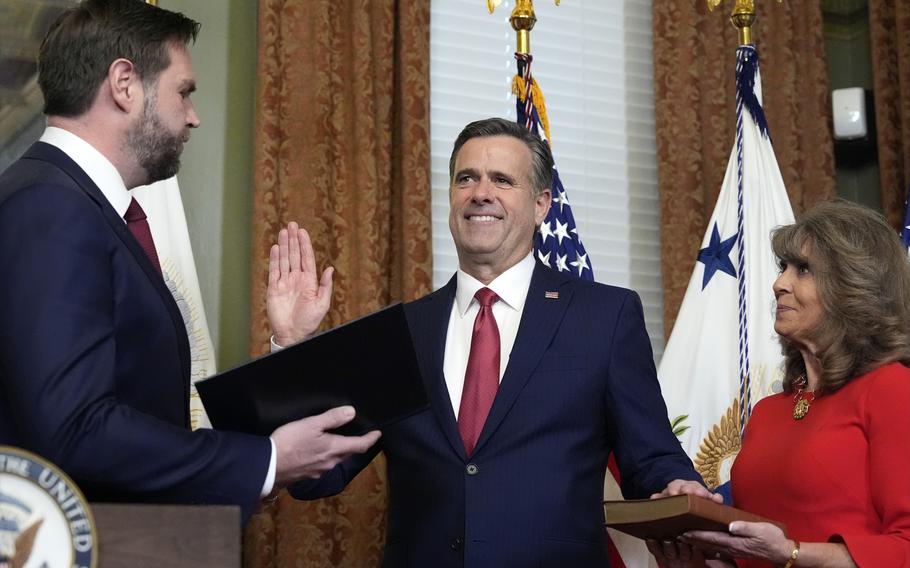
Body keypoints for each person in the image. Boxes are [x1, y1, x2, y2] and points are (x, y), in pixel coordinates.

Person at [0, 0, 379, 523]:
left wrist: (288, 350)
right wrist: (267, 460)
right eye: (184, 92)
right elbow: (76, 428)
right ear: (124, 83)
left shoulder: (68, 201)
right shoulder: (52, 207)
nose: (194, 116)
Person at [287, 117, 716, 567]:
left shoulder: (604, 318)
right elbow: (317, 474)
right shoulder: (401, 333)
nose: (480, 193)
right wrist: (295, 347)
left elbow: (651, 457)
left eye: (503, 180)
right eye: (466, 178)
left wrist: (676, 485)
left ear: (541, 204)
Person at [649, 200, 910, 567]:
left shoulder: (892, 389)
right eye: (783, 267)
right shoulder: (768, 411)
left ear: (853, 288)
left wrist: (792, 553)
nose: (778, 284)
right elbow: (751, 554)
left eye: (802, 269)